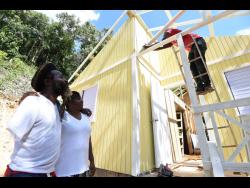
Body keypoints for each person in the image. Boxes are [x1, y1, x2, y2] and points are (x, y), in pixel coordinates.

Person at [4, 63, 70, 177]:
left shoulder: (57, 107)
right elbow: (15, 134)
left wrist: (79, 109)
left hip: (47, 172)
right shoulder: (33, 102)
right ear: (47, 81)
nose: (65, 81)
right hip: (25, 172)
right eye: (61, 77)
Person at [143, 28, 213, 95]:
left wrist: (150, 46)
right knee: (192, 67)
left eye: (164, 35)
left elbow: (163, 42)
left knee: (198, 61)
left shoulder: (169, 31)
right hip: (192, 47)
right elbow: (162, 46)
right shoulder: (172, 40)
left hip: (198, 41)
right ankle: (200, 86)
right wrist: (150, 48)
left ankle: (207, 84)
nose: (164, 36)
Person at [55, 91, 96, 177]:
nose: (81, 100)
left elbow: (88, 141)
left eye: (80, 97)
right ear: (68, 102)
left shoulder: (86, 117)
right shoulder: (62, 116)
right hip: (64, 170)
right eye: (77, 98)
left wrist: (92, 161)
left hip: (83, 169)